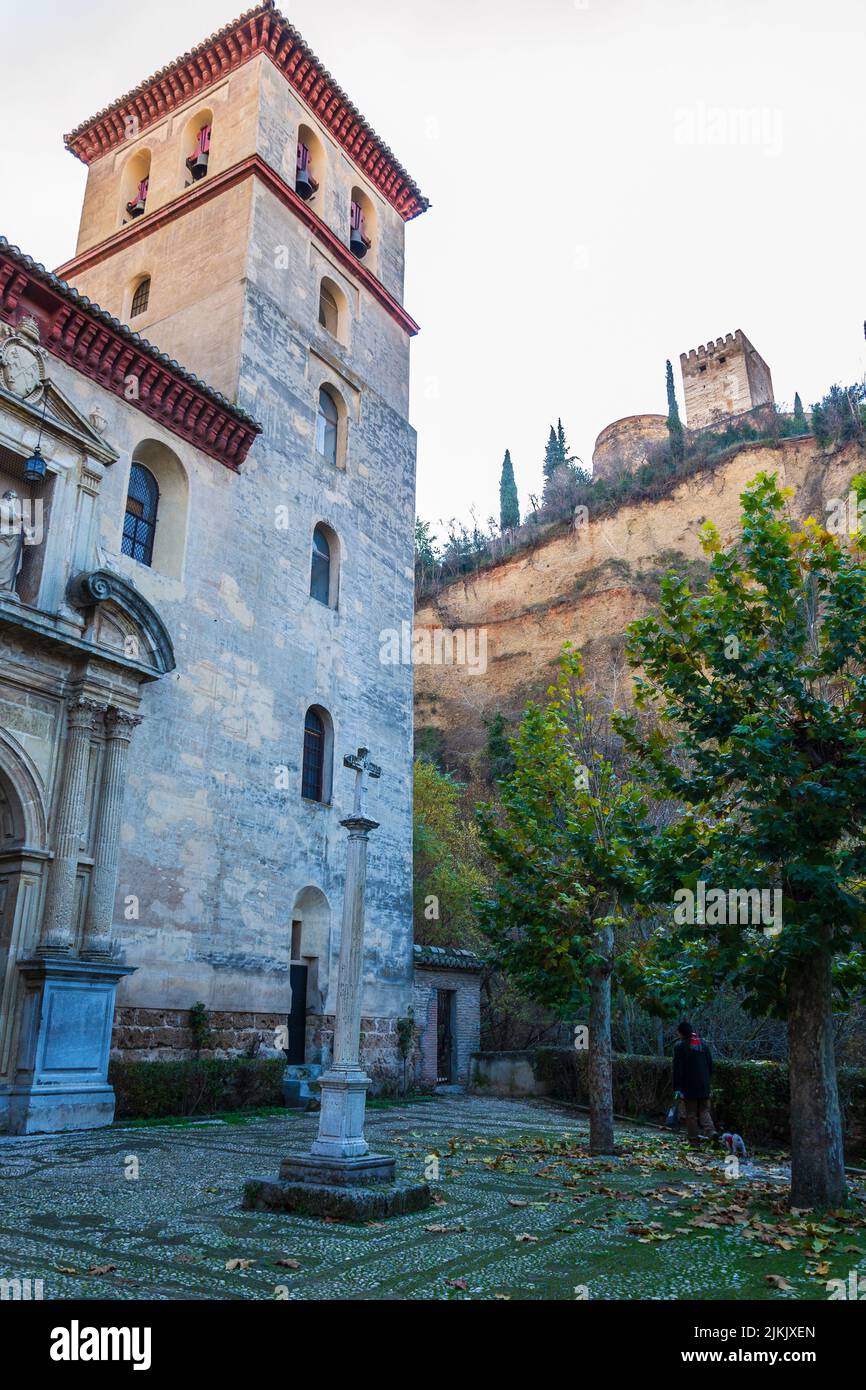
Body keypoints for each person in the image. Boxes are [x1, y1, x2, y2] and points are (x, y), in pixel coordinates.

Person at [672, 1019, 716, 1147]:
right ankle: (711, 1131)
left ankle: (694, 1140)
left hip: (689, 1086)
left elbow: (677, 1069)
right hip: (704, 1085)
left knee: (691, 1113)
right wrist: (708, 1081)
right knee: (704, 1110)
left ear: (680, 1033)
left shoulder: (680, 1047)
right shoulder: (703, 1045)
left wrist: (677, 1088)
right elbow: (710, 1065)